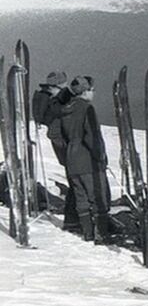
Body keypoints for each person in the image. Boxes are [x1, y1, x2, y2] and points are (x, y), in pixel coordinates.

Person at [60, 76, 111, 242]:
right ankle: (101, 234)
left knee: (81, 198)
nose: (93, 93)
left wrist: (67, 150)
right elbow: (92, 136)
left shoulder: (66, 108)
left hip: (72, 160)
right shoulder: (87, 109)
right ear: (85, 91)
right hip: (88, 161)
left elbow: (55, 134)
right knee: (98, 197)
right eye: (92, 90)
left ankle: (88, 233)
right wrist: (100, 157)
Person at [32, 71, 79, 231]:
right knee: (76, 182)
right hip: (68, 147)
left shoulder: (49, 101)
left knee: (74, 181)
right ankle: (73, 220)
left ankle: (73, 219)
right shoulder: (58, 103)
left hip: (64, 146)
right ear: (60, 85)